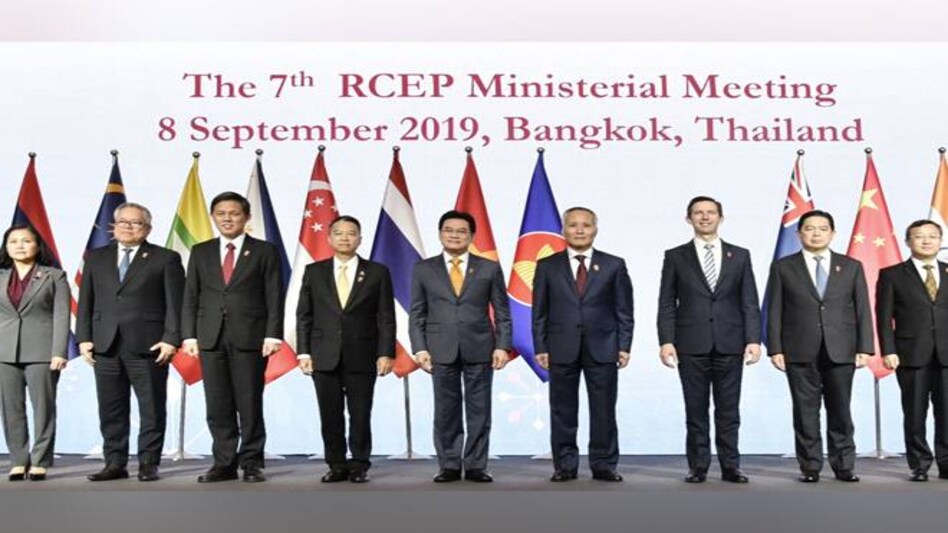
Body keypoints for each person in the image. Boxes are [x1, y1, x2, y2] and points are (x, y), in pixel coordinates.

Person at [77, 203, 185, 482]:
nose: (127, 227)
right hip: (105, 344)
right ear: (113, 226)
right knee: (111, 408)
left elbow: (176, 303)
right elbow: (86, 301)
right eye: (122, 222)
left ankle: (149, 464)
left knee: (151, 407)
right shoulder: (96, 257)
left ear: (147, 228)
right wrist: (84, 338)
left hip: (148, 345)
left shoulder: (165, 258)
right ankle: (115, 463)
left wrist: (171, 339)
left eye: (135, 223)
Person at [181, 191, 284, 483]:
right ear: (213, 217)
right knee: (217, 402)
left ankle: (251, 462)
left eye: (234, 213)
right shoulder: (201, 251)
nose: (228, 219)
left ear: (246, 217)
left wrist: (273, 334)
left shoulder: (265, 251)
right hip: (210, 337)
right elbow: (191, 295)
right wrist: (189, 335)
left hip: (250, 336)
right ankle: (224, 462)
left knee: (249, 401)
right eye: (221, 214)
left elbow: (274, 295)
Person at [657, 196, 760, 483]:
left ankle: (731, 466)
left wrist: (754, 339)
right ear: (688, 219)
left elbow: (749, 300)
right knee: (695, 410)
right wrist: (666, 340)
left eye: (711, 212)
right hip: (690, 343)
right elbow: (667, 302)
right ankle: (698, 467)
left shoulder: (739, 255)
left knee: (729, 410)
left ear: (721, 218)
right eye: (698, 213)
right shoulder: (675, 256)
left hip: (731, 342)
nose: (705, 217)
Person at [766, 209, 872, 483]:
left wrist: (865, 347)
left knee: (841, 410)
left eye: (822, 228)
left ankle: (844, 465)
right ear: (799, 233)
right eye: (809, 228)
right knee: (805, 411)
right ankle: (810, 466)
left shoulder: (850, 266)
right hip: (799, 348)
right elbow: (775, 309)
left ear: (832, 233)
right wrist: (775, 348)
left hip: (842, 349)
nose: (816, 233)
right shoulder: (783, 266)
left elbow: (862, 309)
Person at [533, 207, 634, 482]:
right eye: (573, 225)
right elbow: (539, 311)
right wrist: (540, 346)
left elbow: (624, 310)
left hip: (603, 346)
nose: (579, 230)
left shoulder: (614, 264)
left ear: (595, 230)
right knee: (562, 410)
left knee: (603, 410)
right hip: (560, 346)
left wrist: (624, 345)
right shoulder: (547, 265)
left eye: (586, 225)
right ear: (563, 230)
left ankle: (604, 465)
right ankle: (565, 465)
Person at [409, 210, 511, 483]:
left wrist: (502, 345)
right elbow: (417, 312)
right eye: (449, 230)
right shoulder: (423, 268)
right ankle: (449, 465)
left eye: (461, 231)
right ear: (441, 233)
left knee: (479, 410)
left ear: (472, 236)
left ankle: (477, 465)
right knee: (445, 410)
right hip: (439, 349)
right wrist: (420, 348)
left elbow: (502, 310)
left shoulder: (488, 267)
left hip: (480, 347)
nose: (455, 235)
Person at [296, 215, 396, 483]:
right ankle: (336, 464)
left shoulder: (377, 272)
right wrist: (304, 352)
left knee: (361, 413)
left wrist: (386, 352)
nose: (344, 237)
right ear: (329, 238)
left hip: (362, 354)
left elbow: (385, 316)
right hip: (323, 354)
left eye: (351, 233)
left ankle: (360, 463)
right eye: (338, 233)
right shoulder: (314, 271)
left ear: (360, 239)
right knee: (330, 414)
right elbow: (304, 315)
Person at [876, 219, 948, 482]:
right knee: (915, 412)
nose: (926, 241)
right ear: (908, 241)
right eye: (919, 236)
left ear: (940, 241)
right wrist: (888, 349)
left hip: (946, 354)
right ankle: (919, 464)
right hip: (910, 353)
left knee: (947, 412)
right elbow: (883, 317)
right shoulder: (892, 274)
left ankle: (946, 463)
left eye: (932, 236)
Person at [0, 225, 69, 481]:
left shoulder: (54, 276)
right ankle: (18, 460)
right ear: (6, 247)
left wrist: (59, 351)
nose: (19, 245)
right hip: (4, 351)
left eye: (26, 241)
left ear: (38, 246)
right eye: (13, 241)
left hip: (43, 350)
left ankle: (40, 460)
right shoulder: (0, 275)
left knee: (43, 407)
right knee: (10, 409)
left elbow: (61, 315)